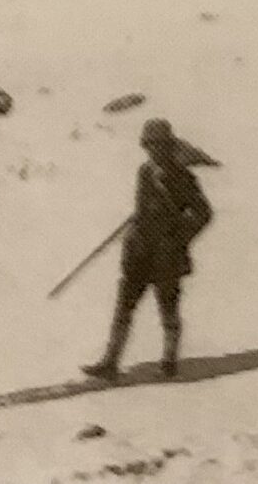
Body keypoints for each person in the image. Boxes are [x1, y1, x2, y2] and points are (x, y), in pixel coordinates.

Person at [85, 118, 213, 383]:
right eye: (150, 145)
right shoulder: (143, 172)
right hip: (139, 252)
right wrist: (137, 224)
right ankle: (110, 362)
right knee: (124, 306)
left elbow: (203, 213)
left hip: (166, 254)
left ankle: (169, 361)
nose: (154, 150)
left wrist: (178, 237)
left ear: (168, 146)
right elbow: (144, 208)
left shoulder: (183, 177)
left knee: (168, 306)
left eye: (159, 145)